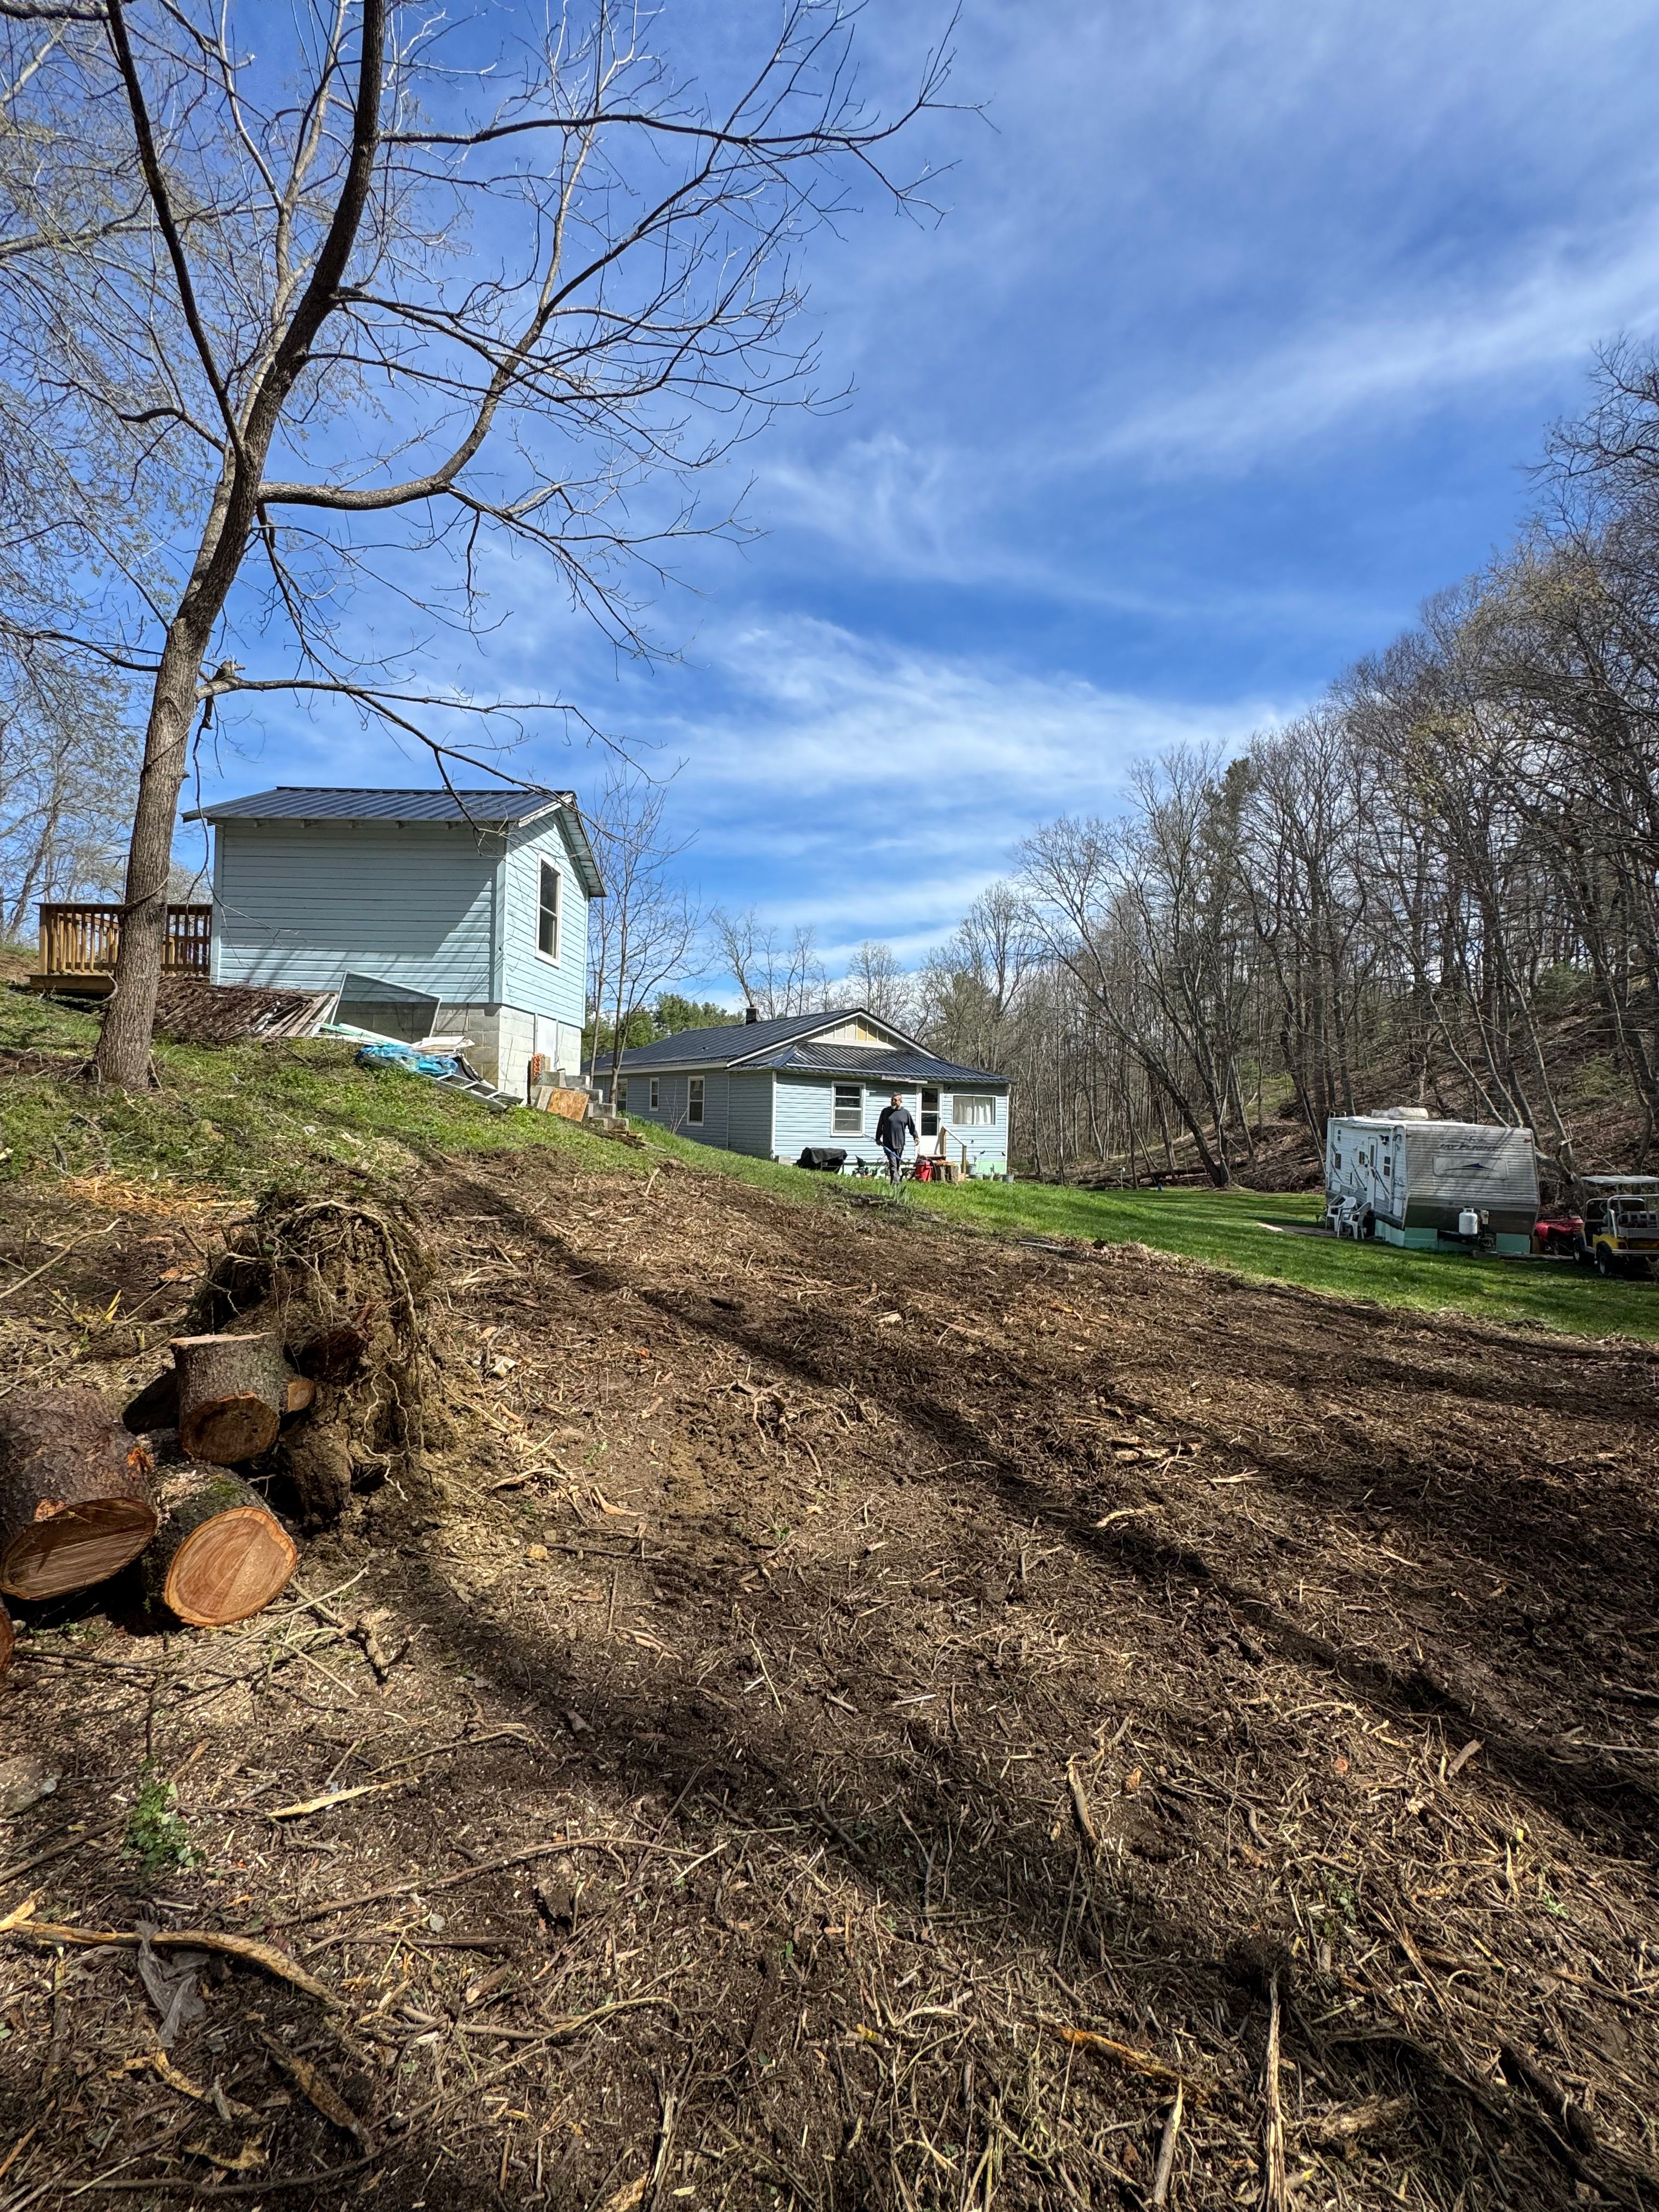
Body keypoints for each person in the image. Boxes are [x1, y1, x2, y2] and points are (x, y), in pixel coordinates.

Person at [874, 1092, 917, 1184]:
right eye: (892, 1099)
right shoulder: (885, 1112)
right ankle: (896, 1184)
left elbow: (912, 1127)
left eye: (895, 1100)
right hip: (888, 1143)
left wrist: (915, 1137)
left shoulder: (905, 1113)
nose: (893, 1101)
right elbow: (880, 1125)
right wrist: (878, 1138)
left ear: (900, 1101)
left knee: (897, 1164)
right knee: (893, 1163)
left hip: (900, 1144)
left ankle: (893, 1184)